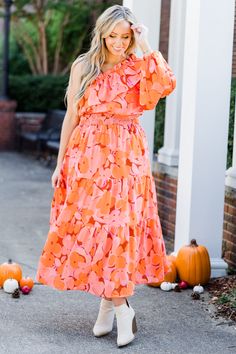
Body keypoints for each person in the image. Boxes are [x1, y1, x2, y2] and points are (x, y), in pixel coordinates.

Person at [36, 4, 176, 348]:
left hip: (126, 157)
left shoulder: (136, 66)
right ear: (101, 34)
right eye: (112, 35)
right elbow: (72, 116)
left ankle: (116, 308)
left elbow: (166, 82)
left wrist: (144, 45)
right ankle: (114, 306)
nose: (117, 42)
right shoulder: (83, 66)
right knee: (93, 227)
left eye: (124, 36)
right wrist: (60, 163)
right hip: (88, 155)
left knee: (117, 229)